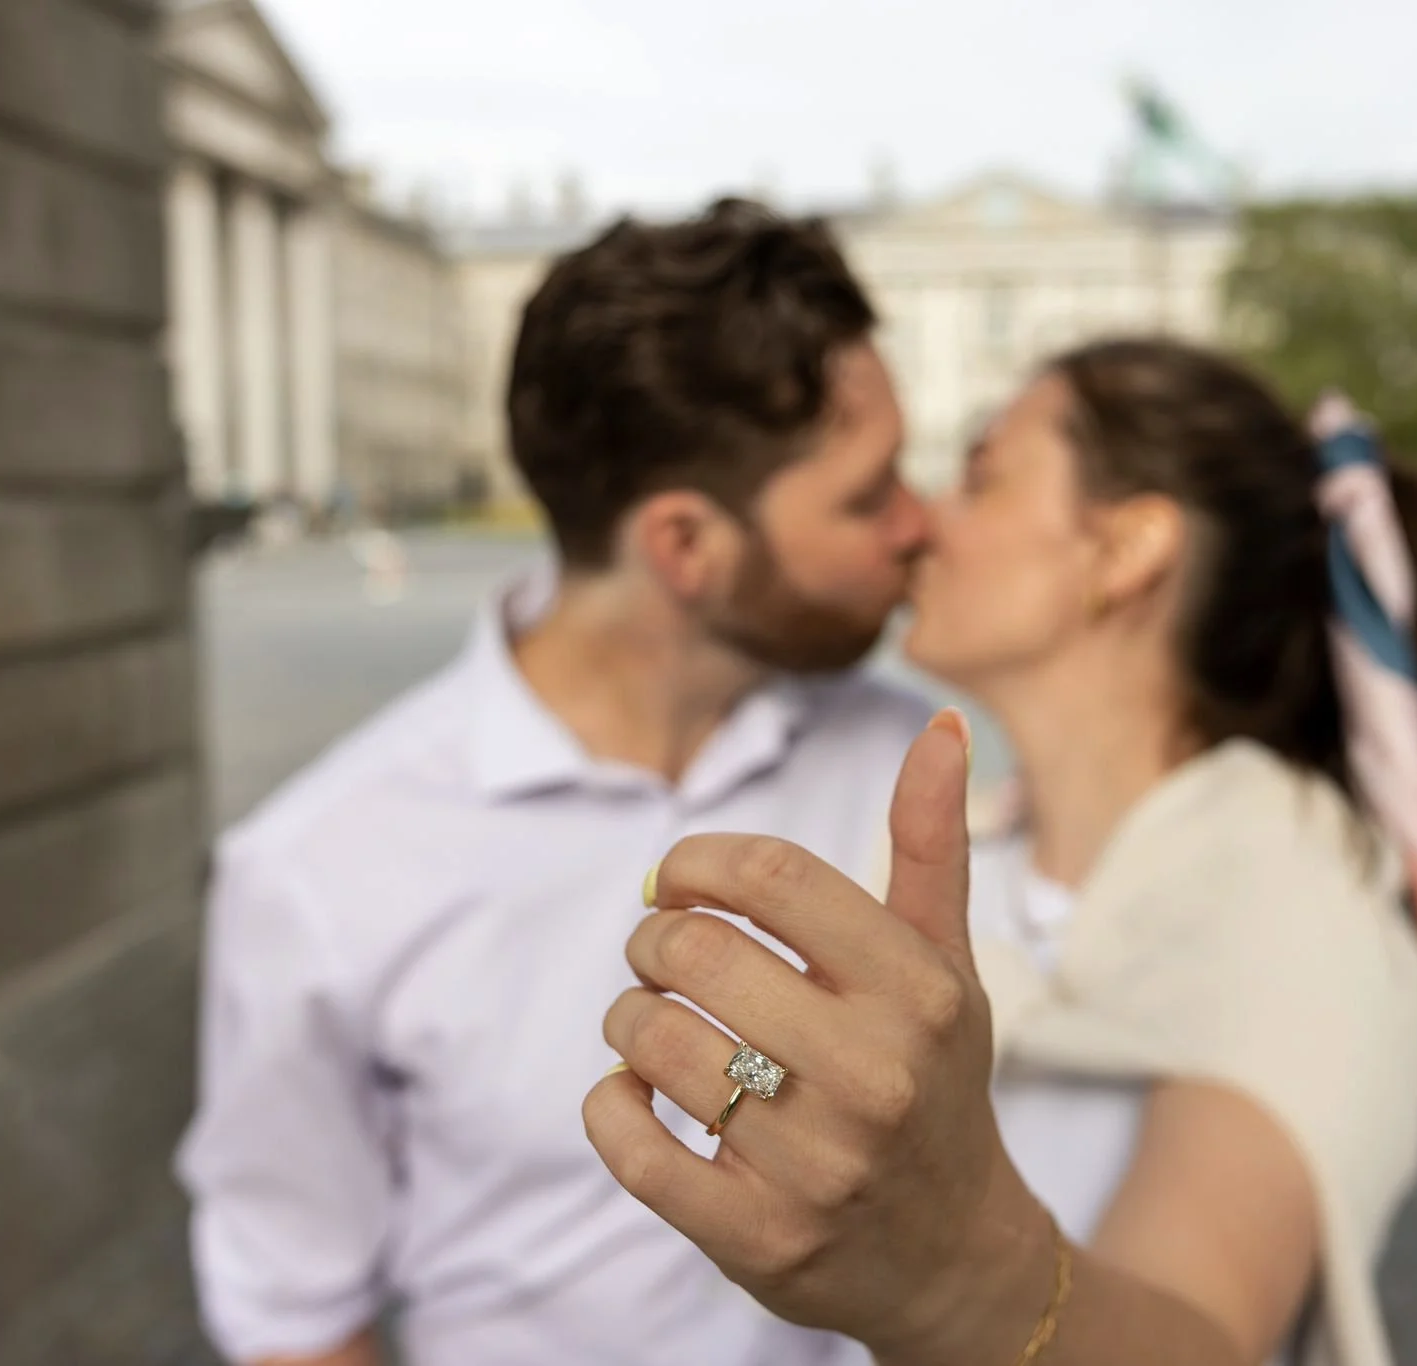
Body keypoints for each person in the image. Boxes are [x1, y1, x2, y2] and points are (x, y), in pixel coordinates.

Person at [586, 340, 1417, 1366]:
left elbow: (1203, 1327)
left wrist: (948, 1269)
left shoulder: (1298, 893)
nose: (916, 523)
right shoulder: (979, 850)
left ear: (1121, 550)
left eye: (981, 475)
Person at [177, 200, 941, 1366]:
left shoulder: (917, 777)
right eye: (868, 493)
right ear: (685, 546)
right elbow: (294, 1314)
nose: (920, 524)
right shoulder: (318, 867)